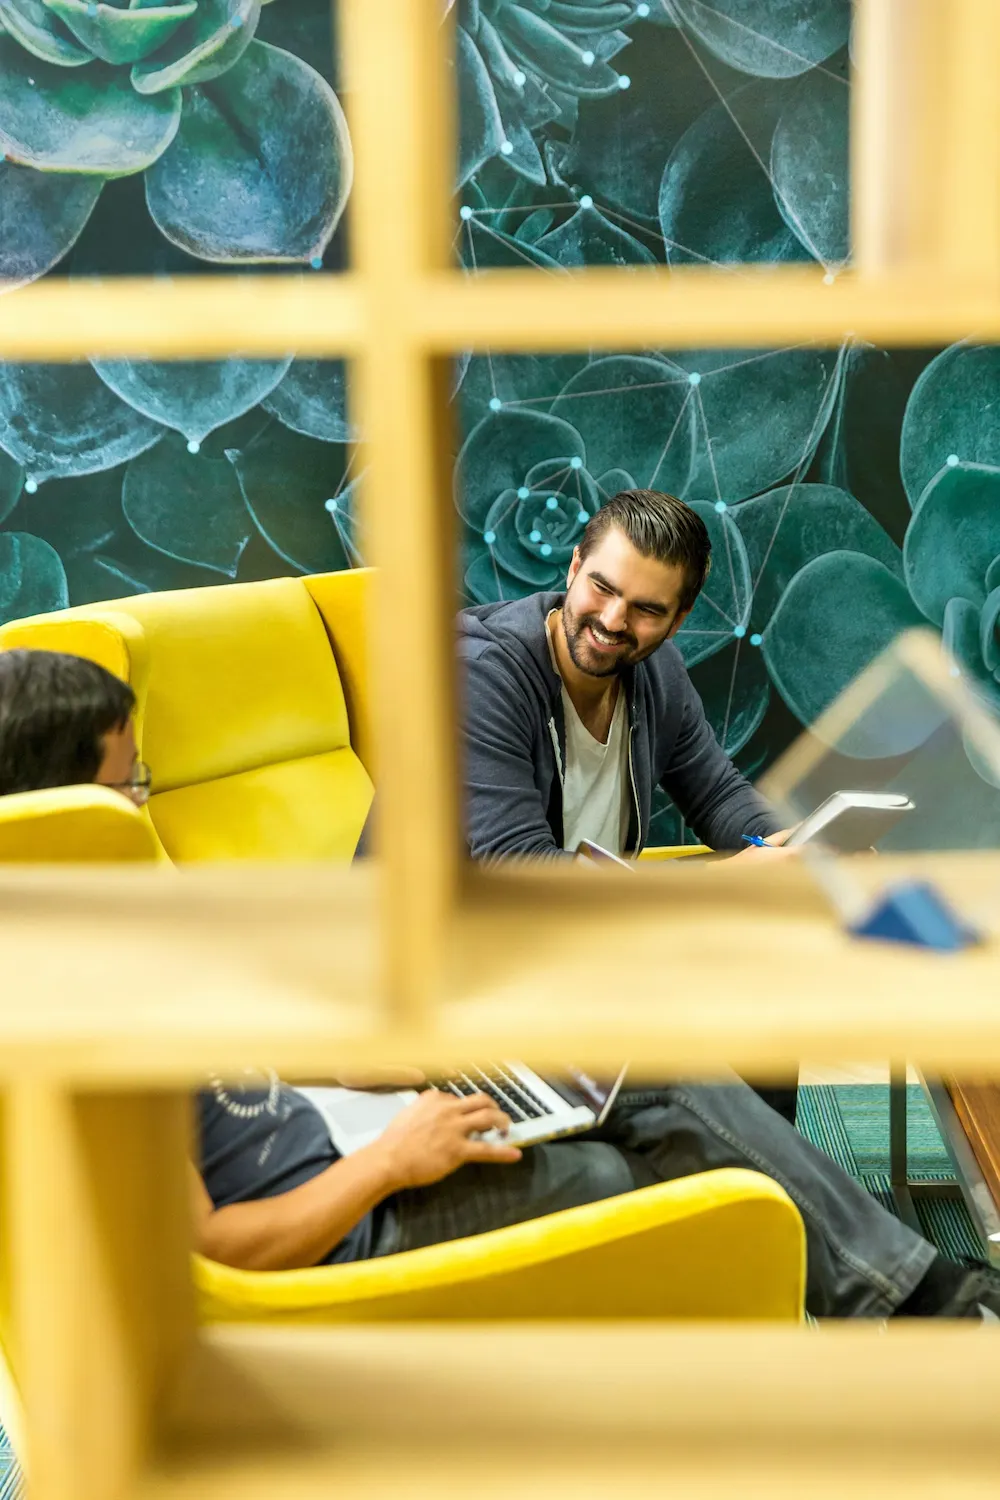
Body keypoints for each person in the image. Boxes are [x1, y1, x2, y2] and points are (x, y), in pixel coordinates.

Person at [4, 648, 1000, 1319]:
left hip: (359, 1144)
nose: (142, 804)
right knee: (634, 1152)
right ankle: (905, 1301)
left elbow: (232, 1070)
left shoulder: (109, 928)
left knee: (635, 1077)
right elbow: (218, 1251)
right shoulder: (67, 1004)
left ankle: (893, 1292)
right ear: (52, 805)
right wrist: (393, 1161)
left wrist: (385, 1068)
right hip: (344, 1227)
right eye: (127, 785)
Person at [458, 489, 798, 1122]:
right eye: (602, 588)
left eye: (646, 609)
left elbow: (720, 794)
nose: (614, 621)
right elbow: (520, 873)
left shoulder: (656, 672)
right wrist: (721, 885)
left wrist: (786, 848)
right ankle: (741, 1184)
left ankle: (757, 1199)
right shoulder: (479, 677)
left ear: (679, 616)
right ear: (573, 568)